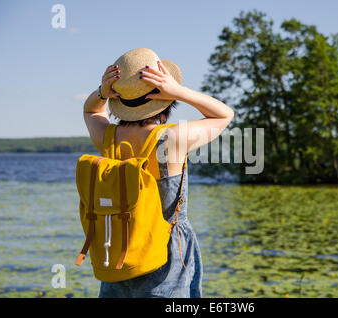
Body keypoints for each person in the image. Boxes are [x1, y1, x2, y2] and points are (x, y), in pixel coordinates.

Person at [82, 49, 234, 297]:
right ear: (164, 99)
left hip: (118, 253)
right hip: (164, 258)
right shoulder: (171, 138)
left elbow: (91, 112)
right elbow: (224, 114)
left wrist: (101, 92)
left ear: (119, 101)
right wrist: (179, 91)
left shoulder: (107, 137)